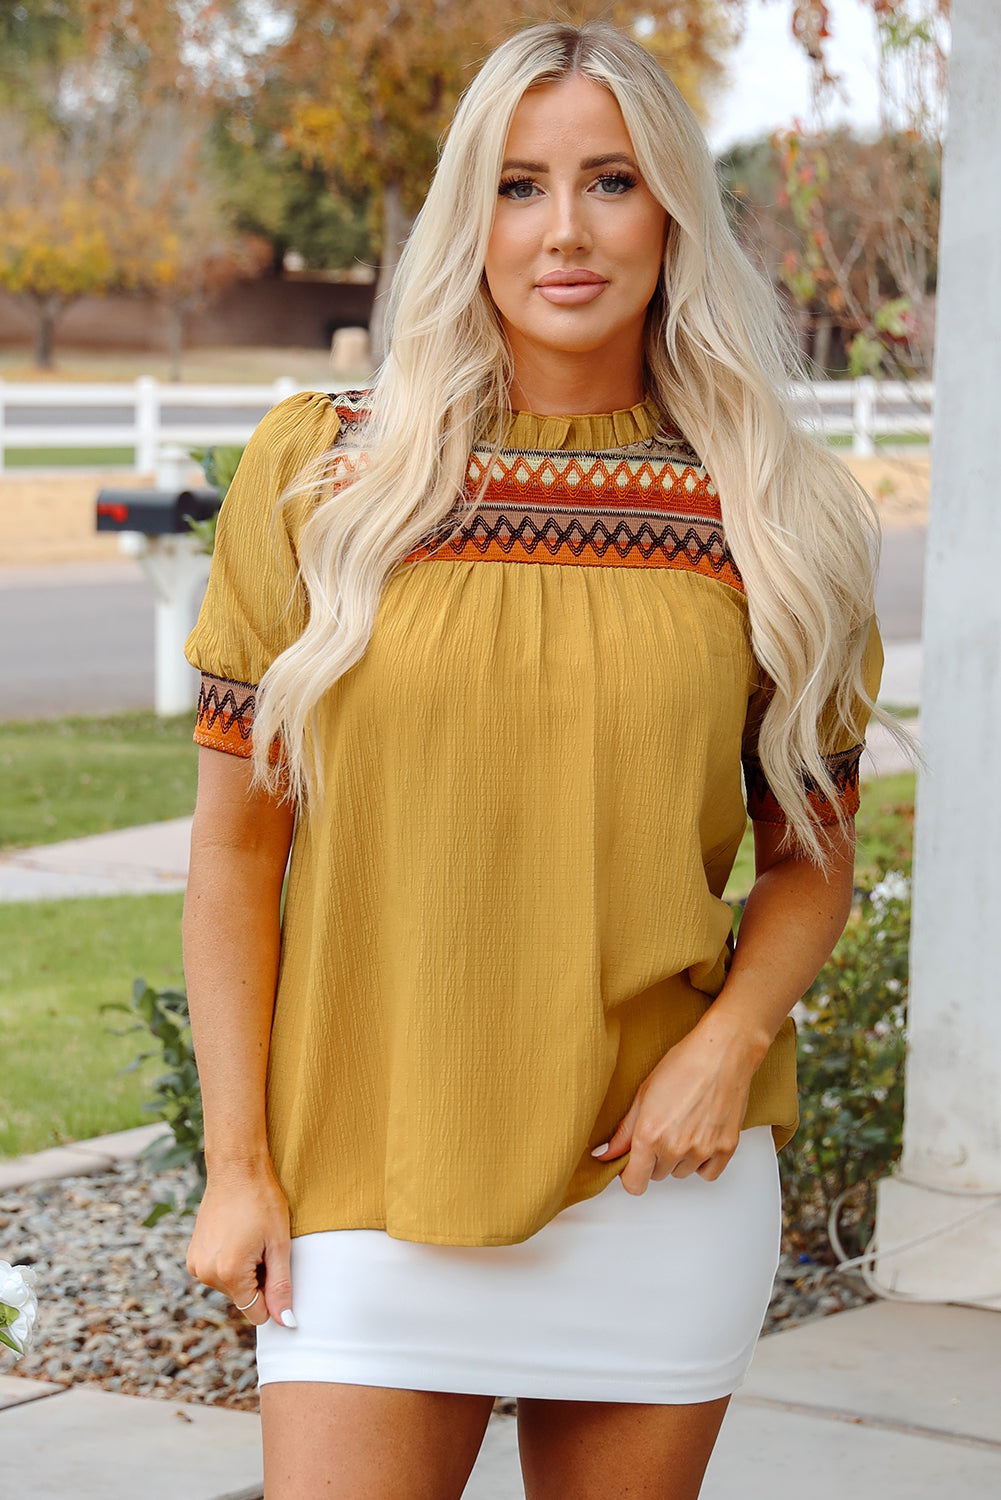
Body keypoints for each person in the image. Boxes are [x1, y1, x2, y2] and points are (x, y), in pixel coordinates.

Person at [182, 20, 887, 1500]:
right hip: (360, 1175)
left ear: (672, 213)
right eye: (519, 186)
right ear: (471, 217)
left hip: (654, 1176)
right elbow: (237, 849)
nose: (564, 230)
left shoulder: (769, 511)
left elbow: (809, 855)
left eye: (609, 181)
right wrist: (237, 1166)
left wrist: (726, 1046)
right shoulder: (322, 474)